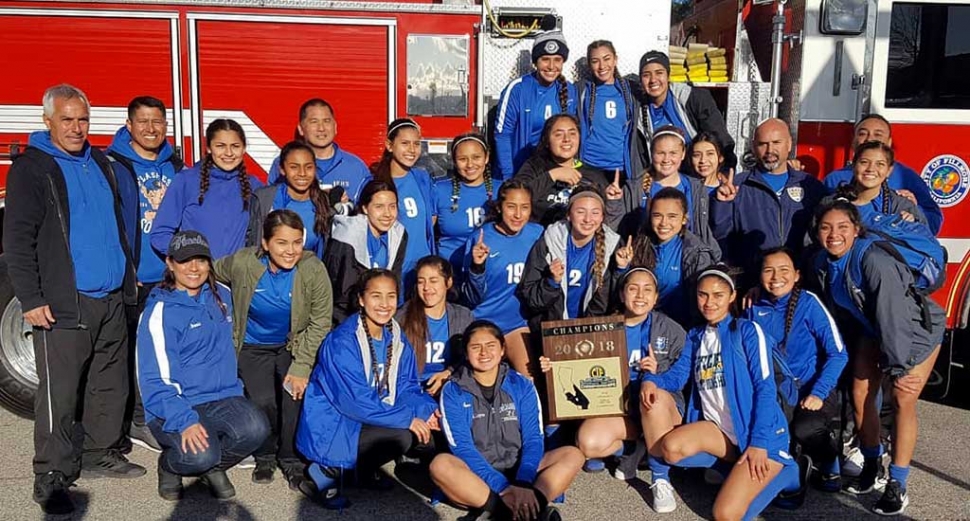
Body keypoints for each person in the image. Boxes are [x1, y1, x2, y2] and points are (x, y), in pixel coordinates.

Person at [4, 84, 145, 515]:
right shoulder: (33, 169)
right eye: (66, 119)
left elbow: (115, 226)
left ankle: (98, 453)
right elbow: (18, 239)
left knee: (109, 383)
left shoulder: (99, 161)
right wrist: (30, 297)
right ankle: (51, 473)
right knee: (60, 394)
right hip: (67, 301)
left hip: (109, 297)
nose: (76, 128)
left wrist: (128, 279)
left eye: (82, 119)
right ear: (47, 121)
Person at [812, 200, 944, 515]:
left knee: (902, 397)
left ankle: (897, 484)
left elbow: (894, 315)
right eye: (826, 227)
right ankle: (873, 465)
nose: (834, 235)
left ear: (856, 230)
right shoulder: (823, 262)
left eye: (843, 227)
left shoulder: (873, 260)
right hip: (874, 329)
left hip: (917, 331)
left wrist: (898, 366)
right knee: (860, 395)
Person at [648, 266, 806, 520]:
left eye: (718, 295)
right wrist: (651, 378)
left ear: (732, 296)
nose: (709, 302)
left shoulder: (747, 331)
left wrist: (758, 444)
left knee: (726, 514)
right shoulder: (696, 336)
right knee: (671, 448)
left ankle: (789, 472)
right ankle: (732, 471)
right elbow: (678, 377)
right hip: (721, 431)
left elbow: (765, 389)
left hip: (760, 436)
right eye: (703, 295)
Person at [138, 231, 270, 502]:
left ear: (210, 263)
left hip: (222, 395)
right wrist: (184, 420)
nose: (194, 268)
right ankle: (171, 465)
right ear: (170, 263)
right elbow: (155, 379)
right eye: (185, 261)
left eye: (201, 260)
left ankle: (212, 468)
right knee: (199, 454)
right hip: (177, 403)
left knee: (256, 429)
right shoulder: (160, 311)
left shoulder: (222, 295)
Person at [296, 269, 438, 509]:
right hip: (337, 422)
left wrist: (427, 411)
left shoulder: (397, 338)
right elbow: (354, 402)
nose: (384, 304)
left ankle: (361, 471)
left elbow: (406, 385)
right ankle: (324, 469)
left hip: (372, 413)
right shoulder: (342, 341)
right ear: (361, 299)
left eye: (391, 296)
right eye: (376, 296)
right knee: (402, 434)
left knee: (422, 431)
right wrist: (407, 418)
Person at [212, 210, 333, 489]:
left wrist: (302, 367)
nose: (290, 251)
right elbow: (210, 270)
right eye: (282, 243)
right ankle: (265, 455)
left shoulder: (313, 270)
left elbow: (320, 322)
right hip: (253, 346)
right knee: (263, 402)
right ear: (265, 244)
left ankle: (290, 459)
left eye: (296, 242)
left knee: (292, 399)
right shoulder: (244, 262)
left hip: (292, 345)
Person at [431, 320, 585, 520]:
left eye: (491, 346)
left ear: (503, 349)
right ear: (466, 353)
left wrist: (522, 482)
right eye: (475, 347)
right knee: (440, 465)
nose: (484, 353)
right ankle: (523, 511)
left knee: (573, 455)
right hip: (478, 475)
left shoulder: (521, 384)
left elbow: (534, 438)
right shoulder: (453, 391)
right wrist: (502, 487)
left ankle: (517, 506)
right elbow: (462, 447)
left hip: (520, 468)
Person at [107, 95, 185, 453]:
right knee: (137, 353)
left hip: (169, 277)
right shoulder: (114, 165)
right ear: (129, 125)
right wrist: (127, 268)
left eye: (158, 122)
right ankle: (139, 420)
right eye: (143, 122)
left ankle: (160, 413)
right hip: (136, 276)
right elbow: (109, 225)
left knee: (165, 352)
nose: (151, 129)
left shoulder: (175, 165)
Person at [745, 247, 847, 492]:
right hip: (775, 392)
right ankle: (795, 460)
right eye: (768, 270)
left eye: (784, 270)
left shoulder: (809, 303)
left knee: (805, 428)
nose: (776, 276)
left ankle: (830, 460)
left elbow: (838, 353)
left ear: (797, 275)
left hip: (811, 389)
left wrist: (819, 393)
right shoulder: (753, 306)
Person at [711, 118, 825, 283]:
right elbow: (722, 238)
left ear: (789, 144)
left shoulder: (810, 186)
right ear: (753, 146)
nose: (770, 150)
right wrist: (721, 204)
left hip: (803, 281)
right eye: (763, 144)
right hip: (753, 284)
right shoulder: (737, 186)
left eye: (776, 142)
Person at [461, 180, 544, 378]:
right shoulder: (480, 238)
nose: (517, 214)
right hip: (484, 321)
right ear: (499, 207)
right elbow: (470, 297)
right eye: (511, 207)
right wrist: (477, 267)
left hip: (516, 324)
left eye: (524, 207)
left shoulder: (538, 234)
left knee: (529, 381)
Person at [518, 187, 632, 327]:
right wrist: (552, 282)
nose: (588, 219)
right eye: (580, 212)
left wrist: (621, 269)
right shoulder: (550, 241)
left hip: (594, 330)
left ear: (602, 217)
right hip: (554, 329)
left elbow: (616, 302)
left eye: (595, 213)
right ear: (568, 215)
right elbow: (532, 299)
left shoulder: (613, 245)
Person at [151, 118, 263, 259]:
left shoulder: (255, 186)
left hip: (238, 278)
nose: (228, 153)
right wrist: (190, 259)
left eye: (235, 146)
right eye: (220, 146)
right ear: (209, 148)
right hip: (199, 277)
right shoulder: (186, 181)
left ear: (244, 148)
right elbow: (160, 234)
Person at [822, 114, 942, 234]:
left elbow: (933, 222)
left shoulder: (907, 177)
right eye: (863, 134)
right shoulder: (834, 179)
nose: (869, 139)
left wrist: (914, 211)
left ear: (889, 142)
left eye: (878, 134)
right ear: (854, 140)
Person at [493, 30, 578, 179]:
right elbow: (502, 135)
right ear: (535, 61)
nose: (551, 66)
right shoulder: (518, 89)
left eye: (557, 59)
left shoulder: (569, 90)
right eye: (545, 59)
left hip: (555, 174)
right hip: (521, 171)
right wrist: (509, 177)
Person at [630, 187, 720, 327]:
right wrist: (621, 268)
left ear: (684, 218)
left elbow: (698, 304)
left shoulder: (696, 253)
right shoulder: (639, 245)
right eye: (657, 215)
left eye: (672, 216)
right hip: (643, 325)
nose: (664, 223)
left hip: (680, 328)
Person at [577, 40, 646, 216]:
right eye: (595, 61)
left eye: (607, 58)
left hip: (622, 169)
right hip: (590, 168)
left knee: (622, 222)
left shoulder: (631, 90)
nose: (602, 66)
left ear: (615, 59)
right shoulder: (581, 90)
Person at [323, 180, 407, 325]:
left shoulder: (399, 234)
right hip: (346, 319)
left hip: (381, 315)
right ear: (365, 208)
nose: (387, 214)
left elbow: (395, 279)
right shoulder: (347, 235)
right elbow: (339, 294)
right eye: (379, 207)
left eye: (392, 207)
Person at [638, 50, 737, 169]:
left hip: (696, 172)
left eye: (659, 73)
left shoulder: (693, 98)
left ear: (668, 76)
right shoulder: (637, 109)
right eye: (646, 75)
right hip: (661, 173)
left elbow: (719, 137)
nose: (653, 79)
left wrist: (726, 170)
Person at [513, 113, 615, 226]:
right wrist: (552, 176)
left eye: (572, 133)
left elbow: (606, 218)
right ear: (547, 140)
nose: (566, 139)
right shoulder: (534, 166)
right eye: (558, 135)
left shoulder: (594, 175)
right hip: (541, 237)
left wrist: (613, 200)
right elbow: (517, 198)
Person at [267, 98, 371, 205]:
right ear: (301, 129)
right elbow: (271, 205)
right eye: (314, 121)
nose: (321, 128)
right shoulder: (283, 163)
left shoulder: (356, 167)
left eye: (326, 121)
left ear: (335, 127)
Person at [371, 118, 436, 289]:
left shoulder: (422, 178)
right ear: (389, 145)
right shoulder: (375, 182)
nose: (412, 150)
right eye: (405, 143)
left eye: (416, 144)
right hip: (393, 268)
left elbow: (431, 220)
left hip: (422, 269)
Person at [396, 256, 474, 395]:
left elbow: (469, 359)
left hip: (452, 385)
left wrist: (448, 374)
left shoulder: (463, 316)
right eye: (421, 282)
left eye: (433, 281)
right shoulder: (402, 317)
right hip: (412, 390)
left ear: (448, 282)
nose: (427, 287)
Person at [634, 126, 717, 250]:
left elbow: (705, 230)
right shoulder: (635, 188)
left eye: (673, 153)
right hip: (646, 256)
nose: (666, 159)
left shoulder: (696, 188)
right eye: (660, 153)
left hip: (686, 257)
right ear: (652, 154)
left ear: (683, 154)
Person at [252, 141, 335, 258]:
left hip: (308, 274)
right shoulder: (264, 199)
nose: (302, 173)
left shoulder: (325, 203)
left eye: (308, 167)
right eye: (294, 167)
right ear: (282, 169)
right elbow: (252, 243)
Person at [823, 141, 928, 227]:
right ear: (854, 166)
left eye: (880, 164)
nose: (871, 169)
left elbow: (925, 244)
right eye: (864, 162)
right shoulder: (830, 203)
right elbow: (813, 243)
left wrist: (912, 225)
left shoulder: (901, 206)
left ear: (889, 171)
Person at [433, 133, 494, 270]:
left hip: (488, 270)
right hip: (449, 270)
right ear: (454, 161)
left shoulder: (501, 189)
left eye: (476, 157)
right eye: (462, 159)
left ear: (486, 157)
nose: (470, 164)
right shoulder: (439, 190)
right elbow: (426, 232)